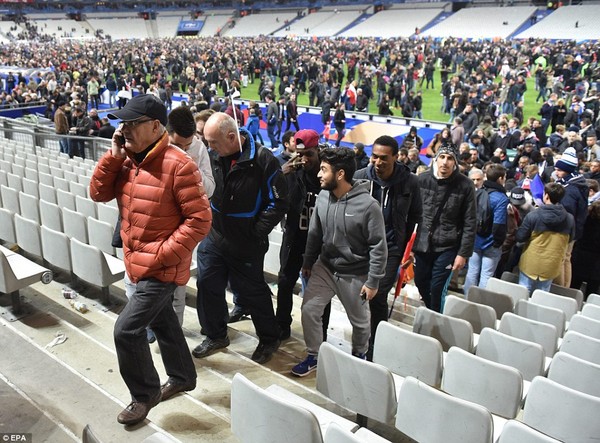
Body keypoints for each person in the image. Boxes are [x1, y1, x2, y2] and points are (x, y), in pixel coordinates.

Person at [89, 94, 212, 426]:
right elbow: (98, 192)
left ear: (156, 126)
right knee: (163, 322)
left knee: (126, 331)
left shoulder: (180, 164)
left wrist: (162, 254)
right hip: (136, 261)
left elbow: (200, 220)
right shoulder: (126, 159)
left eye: (132, 123)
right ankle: (183, 375)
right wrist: (113, 156)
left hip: (161, 268)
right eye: (123, 123)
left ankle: (144, 395)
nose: (124, 129)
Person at [193, 113, 288, 364]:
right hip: (215, 235)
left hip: (246, 241)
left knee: (252, 292)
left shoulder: (263, 160)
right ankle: (216, 335)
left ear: (232, 137)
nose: (209, 147)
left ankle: (269, 339)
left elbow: (278, 201)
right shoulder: (212, 153)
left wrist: (256, 231)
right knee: (207, 285)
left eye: (213, 142)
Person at [292, 148, 387, 376]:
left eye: (324, 170)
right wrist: (308, 261)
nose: (319, 175)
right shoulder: (323, 196)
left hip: (356, 273)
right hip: (325, 266)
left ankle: (359, 356)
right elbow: (315, 232)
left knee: (361, 323)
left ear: (341, 174)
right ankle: (314, 355)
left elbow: (378, 246)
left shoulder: (369, 206)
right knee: (309, 310)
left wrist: (373, 282)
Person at [354, 135, 422, 360]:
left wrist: (409, 248)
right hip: (362, 245)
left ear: (396, 157)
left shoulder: (410, 181)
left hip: (391, 247)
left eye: (384, 158)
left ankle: (375, 345)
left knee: (378, 294)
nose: (378, 162)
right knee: (359, 296)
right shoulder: (360, 177)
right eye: (374, 157)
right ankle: (362, 339)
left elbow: (416, 216)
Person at [413, 143, 477, 312]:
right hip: (422, 244)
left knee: (437, 287)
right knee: (420, 282)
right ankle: (431, 312)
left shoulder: (465, 185)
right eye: (442, 157)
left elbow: (470, 221)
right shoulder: (422, 180)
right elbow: (412, 214)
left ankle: (436, 320)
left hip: (448, 246)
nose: (445, 162)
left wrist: (463, 254)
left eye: (450, 158)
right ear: (435, 159)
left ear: (455, 162)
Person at [276, 129, 322, 340]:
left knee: (319, 292)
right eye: (300, 154)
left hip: (319, 244)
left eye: (309, 155)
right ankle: (282, 326)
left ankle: (319, 336)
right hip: (294, 238)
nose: (304, 160)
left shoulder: (327, 174)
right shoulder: (291, 173)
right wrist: (280, 174)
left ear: (318, 150)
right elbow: (272, 195)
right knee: (285, 282)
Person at [516, 183, 575, 294]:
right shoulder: (570, 219)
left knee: (522, 294)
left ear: (546, 196)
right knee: (542, 296)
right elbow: (570, 239)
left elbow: (520, 237)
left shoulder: (533, 215)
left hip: (530, 263)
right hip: (551, 265)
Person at [463, 164, 509, 295]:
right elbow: (498, 224)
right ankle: (479, 305)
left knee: (471, 272)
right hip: (490, 243)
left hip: (475, 239)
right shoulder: (501, 198)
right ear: (500, 178)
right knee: (486, 276)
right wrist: (498, 243)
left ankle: (467, 300)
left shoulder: (477, 193)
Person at [554, 147, 589, 287]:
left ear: (567, 170)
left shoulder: (570, 189)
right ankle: (566, 287)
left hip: (566, 230)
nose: (556, 172)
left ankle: (561, 288)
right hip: (574, 229)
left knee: (562, 259)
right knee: (566, 258)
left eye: (559, 170)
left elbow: (566, 211)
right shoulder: (577, 183)